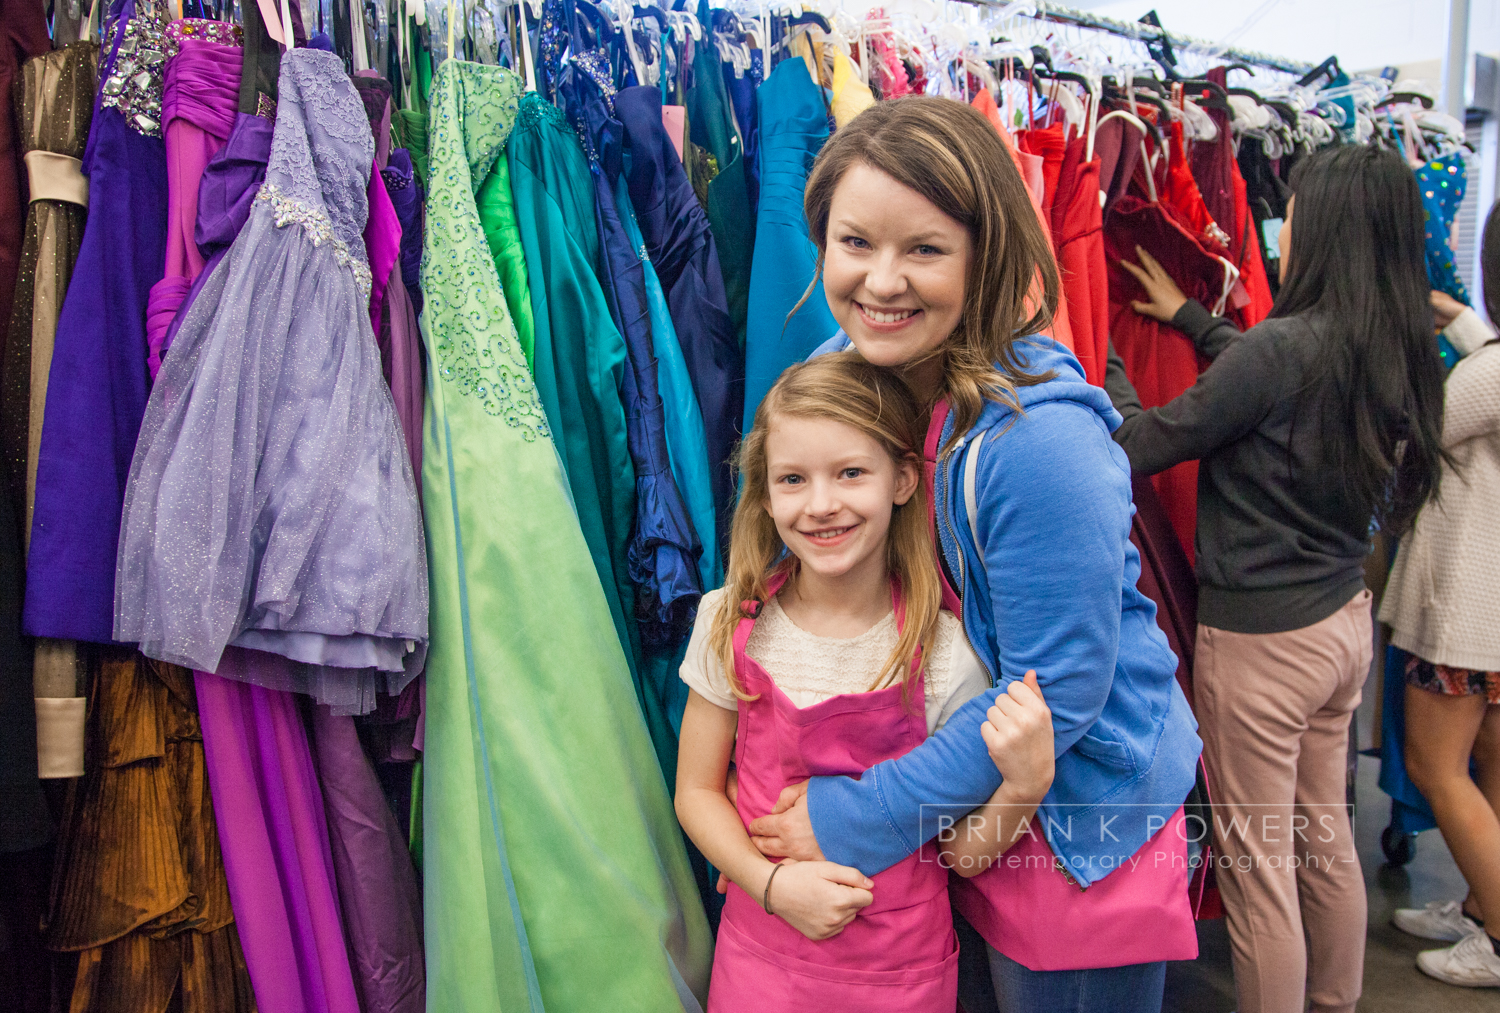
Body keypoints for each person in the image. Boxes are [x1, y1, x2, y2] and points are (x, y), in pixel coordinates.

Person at [742, 97, 1203, 1013]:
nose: (880, 280)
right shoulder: (852, 377)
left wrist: (856, 817)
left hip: (1072, 824)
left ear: (983, 257)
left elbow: (1055, 689)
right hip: (958, 795)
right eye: (854, 242)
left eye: (924, 249)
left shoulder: (1041, 443)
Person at [1108, 144, 1450, 1013]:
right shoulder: (1398, 345)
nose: (1278, 227)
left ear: (1322, 230)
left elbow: (1147, 440)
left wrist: (1103, 368)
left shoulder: (1284, 350)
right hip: (1340, 625)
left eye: (1290, 215)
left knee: (1260, 873)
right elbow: (1278, 380)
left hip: (1264, 643)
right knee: (1323, 837)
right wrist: (1194, 318)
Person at [673, 352, 1056, 1011]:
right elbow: (696, 792)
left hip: (899, 979)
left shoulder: (944, 651)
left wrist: (1025, 785)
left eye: (850, 472)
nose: (822, 504)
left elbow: (961, 852)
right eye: (793, 479)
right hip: (761, 961)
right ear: (765, 493)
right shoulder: (729, 622)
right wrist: (770, 886)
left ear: (903, 478)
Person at [1382, 203, 1500, 989]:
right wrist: (1454, 320)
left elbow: (1406, 439)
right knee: (1489, 766)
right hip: (1488, 614)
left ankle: (1497, 937)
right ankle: (1480, 907)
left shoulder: (1489, 374)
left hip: (1466, 610)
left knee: (1437, 767)